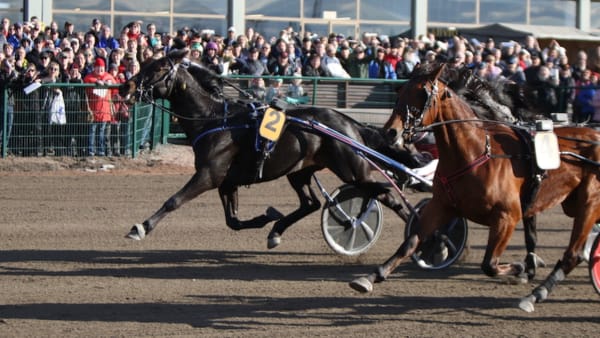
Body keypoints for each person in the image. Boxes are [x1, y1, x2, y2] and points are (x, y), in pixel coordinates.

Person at [84, 57, 116, 156]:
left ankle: (101, 150)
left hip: (105, 110)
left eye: (101, 68)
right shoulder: (89, 77)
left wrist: (106, 83)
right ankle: (91, 150)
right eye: (97, 68)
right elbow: (87, 83)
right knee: (92, 131)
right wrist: (96, 82)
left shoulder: (108, 77)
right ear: (94, 68)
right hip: (93, 110)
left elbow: (114, 85)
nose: (100, 70)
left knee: (102, 132)